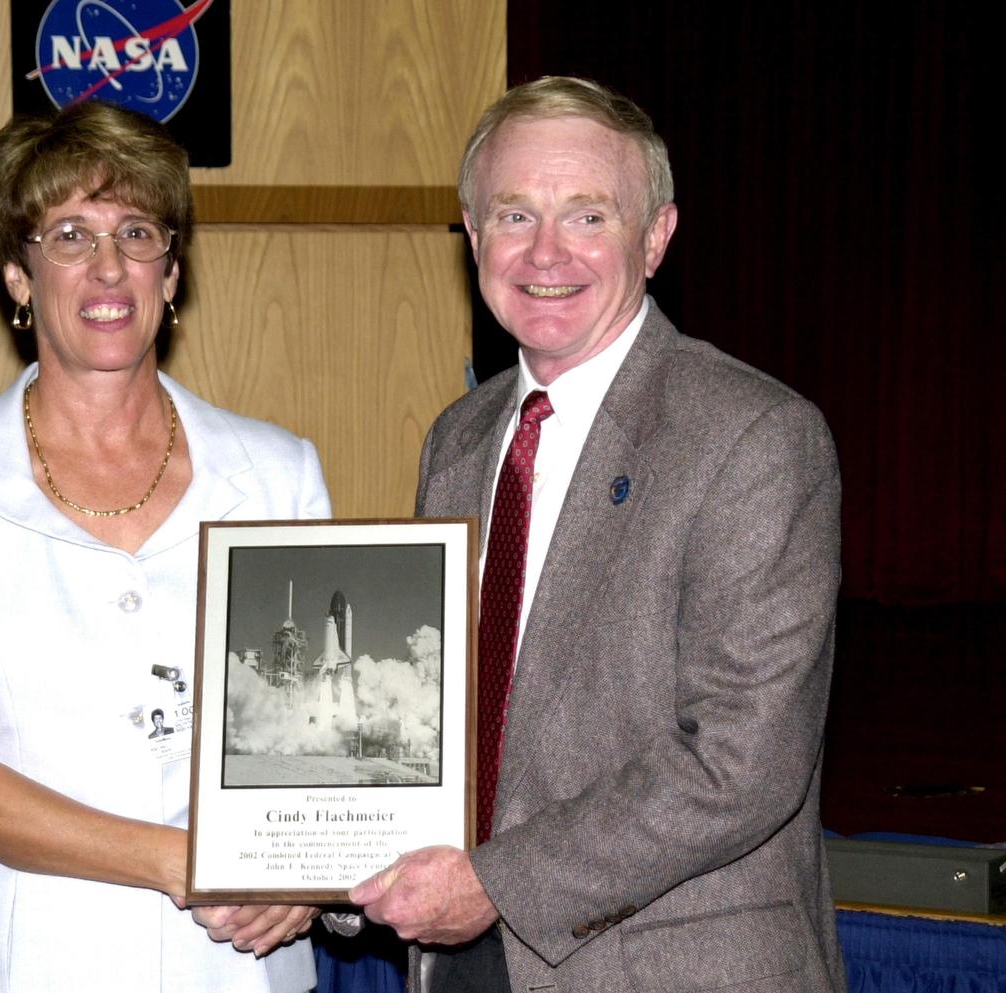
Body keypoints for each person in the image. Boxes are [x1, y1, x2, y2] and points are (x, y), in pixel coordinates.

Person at [350, 77, 847, 992]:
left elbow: (740, 758)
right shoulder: (459, 440)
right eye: (514, 214)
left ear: (655, 237)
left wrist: (496, 883)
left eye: (588, 216)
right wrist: (332, 860)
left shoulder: (752, 436)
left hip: (670, 966)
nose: (546, 252)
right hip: (463, 966)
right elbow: (426, 718)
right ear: (470, 231)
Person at [0, 101, 328, 993]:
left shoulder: (278, 472)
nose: (109, 268)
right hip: (1, 959)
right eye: (69, 234)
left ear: (173, 271)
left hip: (227, 962)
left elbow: (312, 743)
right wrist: (182, 859)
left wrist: (306, 871)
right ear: (17, 275)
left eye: (137, 232)